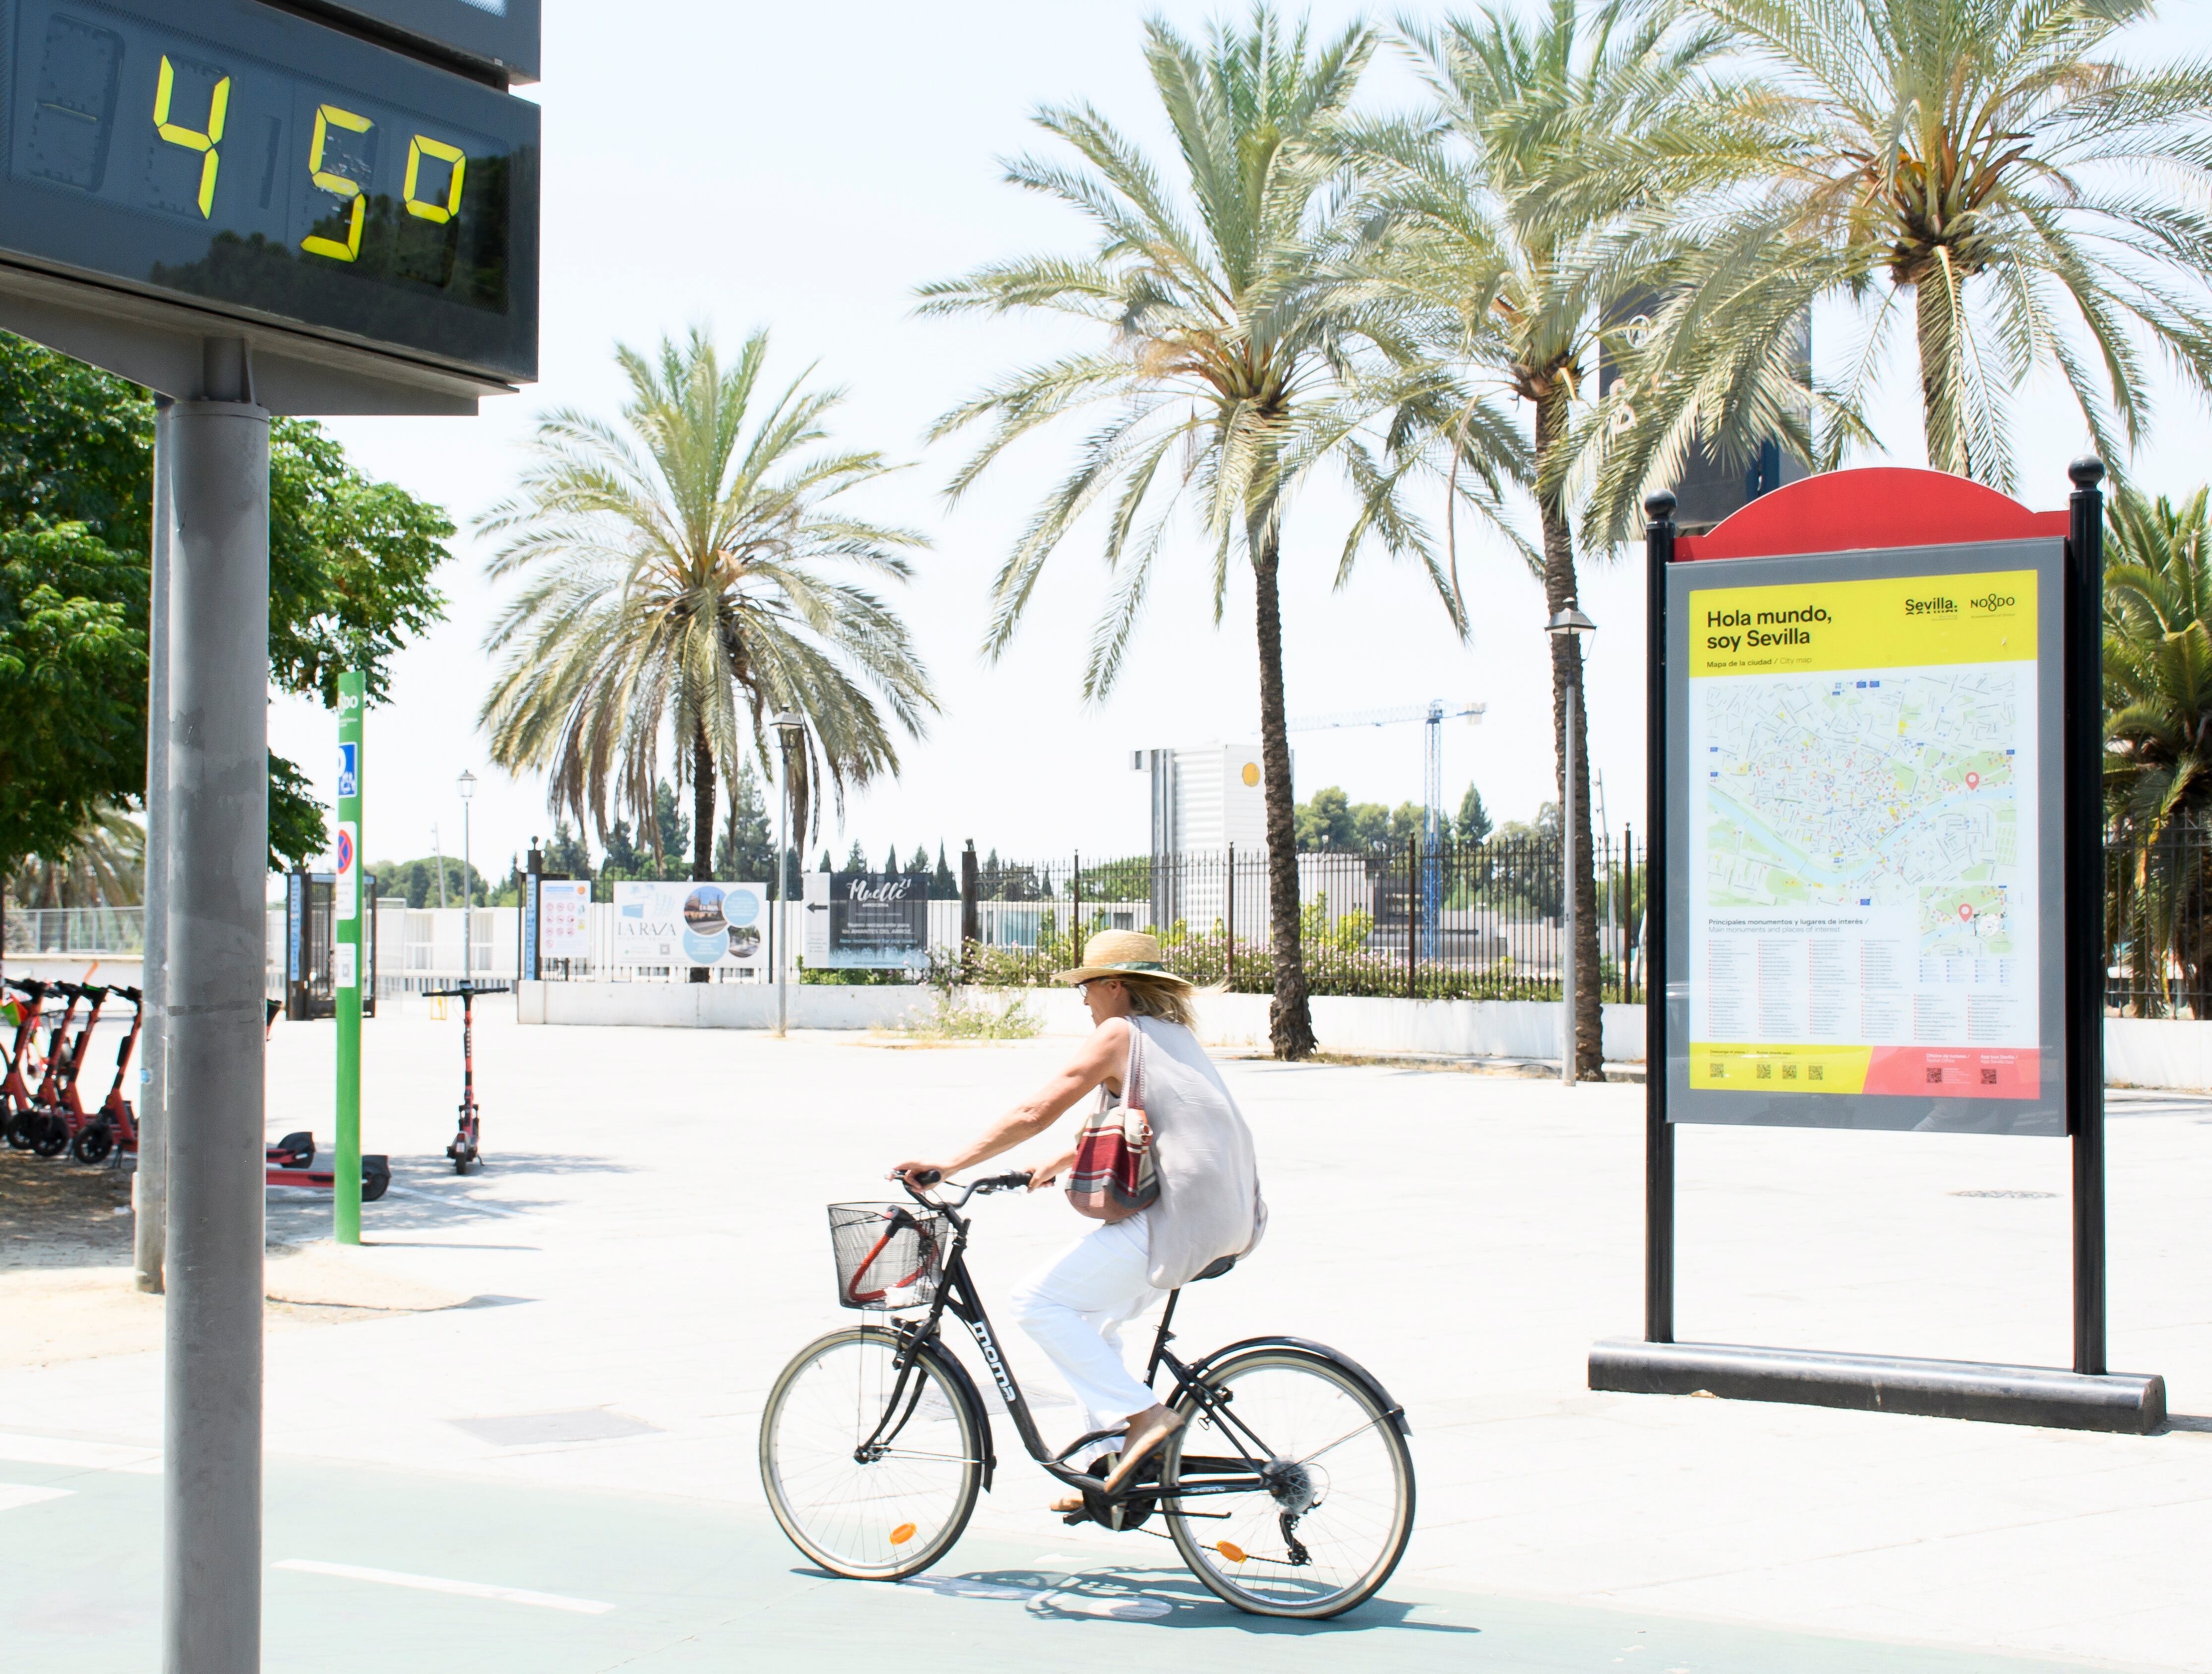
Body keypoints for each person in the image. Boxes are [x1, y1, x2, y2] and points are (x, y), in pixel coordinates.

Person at [892, 930, 1265, 1508]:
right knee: (1090, 1327)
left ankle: (1144, 1419)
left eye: (1087, 987)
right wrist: (1063, 1160)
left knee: (1036, 1303)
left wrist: (948, 1163)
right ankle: (1110, 1465)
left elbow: (1035, 1109)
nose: (1084, 1001)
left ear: (1115, 986)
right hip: (1232, 1219)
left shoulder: (1119, 1034)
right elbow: (1148, 1120)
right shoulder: (1172, 1037)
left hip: (1181, 1221)